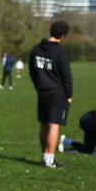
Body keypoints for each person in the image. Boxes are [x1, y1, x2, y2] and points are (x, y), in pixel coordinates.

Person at [29, 21, 73, 168]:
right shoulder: (60, 51)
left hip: (42, 91)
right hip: (57, 92)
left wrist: (38, 86)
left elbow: (32, 71)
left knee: (43, 124)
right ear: (63, 36)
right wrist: (69, 94)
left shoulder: (36, 49)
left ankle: (44, 156)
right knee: (54, 125)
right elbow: (66, 76)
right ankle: (50, 159)